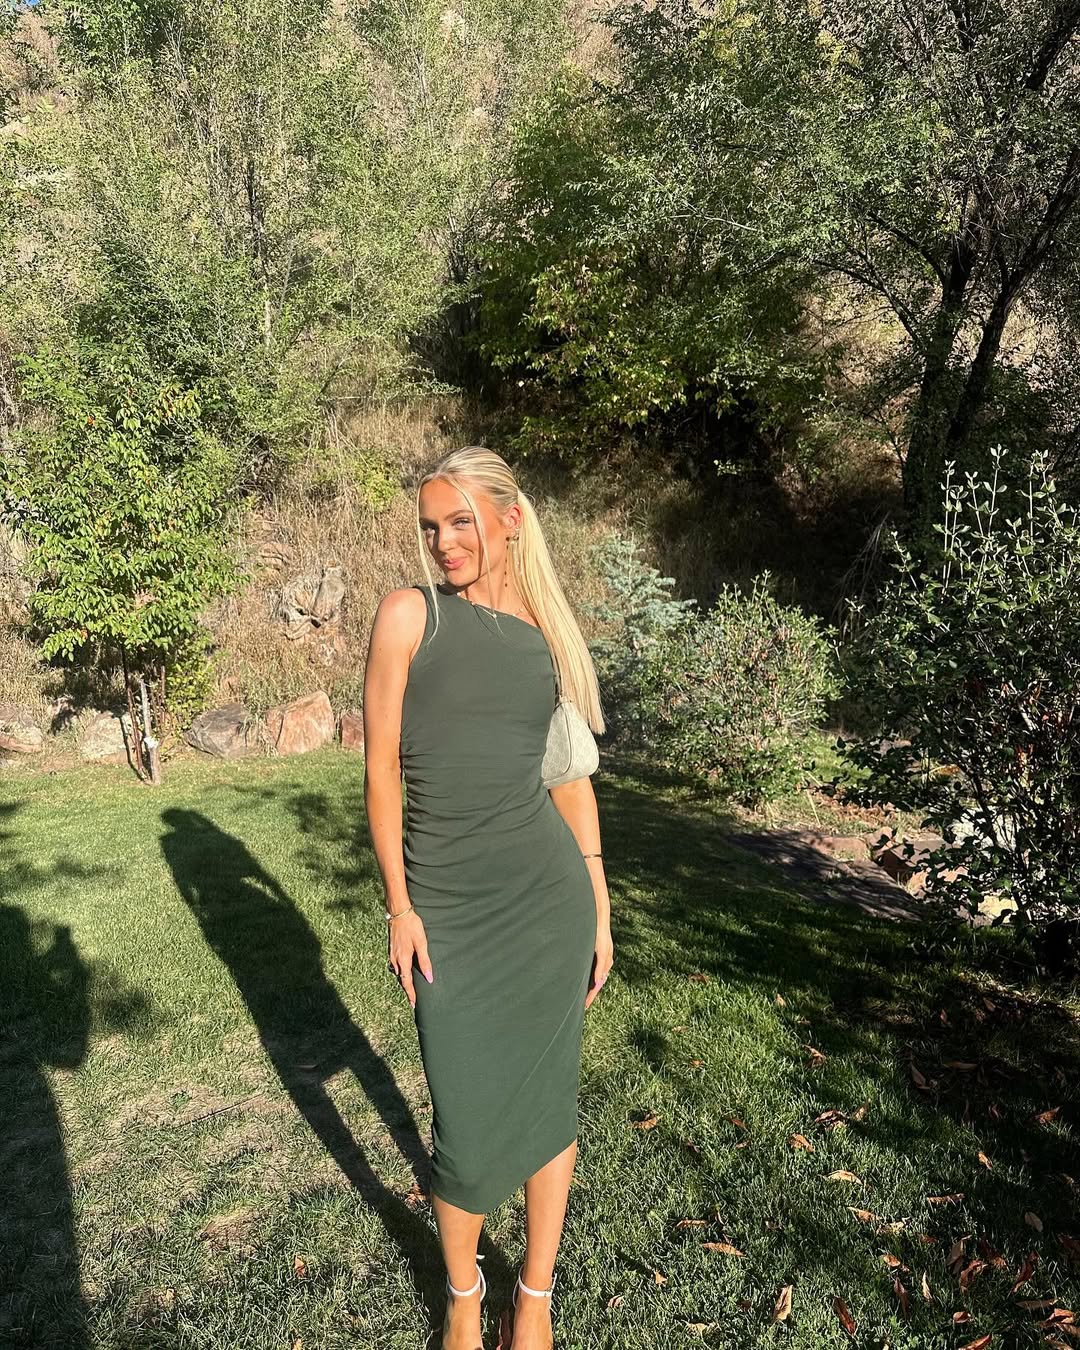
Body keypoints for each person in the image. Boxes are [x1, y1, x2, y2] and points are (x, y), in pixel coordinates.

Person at [363, 446, 613, 1349]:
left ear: (509, 519)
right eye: (431, 527)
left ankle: (534, 1298)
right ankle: (464, 1295)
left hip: (547, 903)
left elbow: (570, 782)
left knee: (549, 1102)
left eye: (460, 521)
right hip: (448, 911)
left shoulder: (548, 636)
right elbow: (381, 771)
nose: (444, 542)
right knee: (464, 1122)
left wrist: (600, 906)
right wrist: (400, 906)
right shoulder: (410, 617)